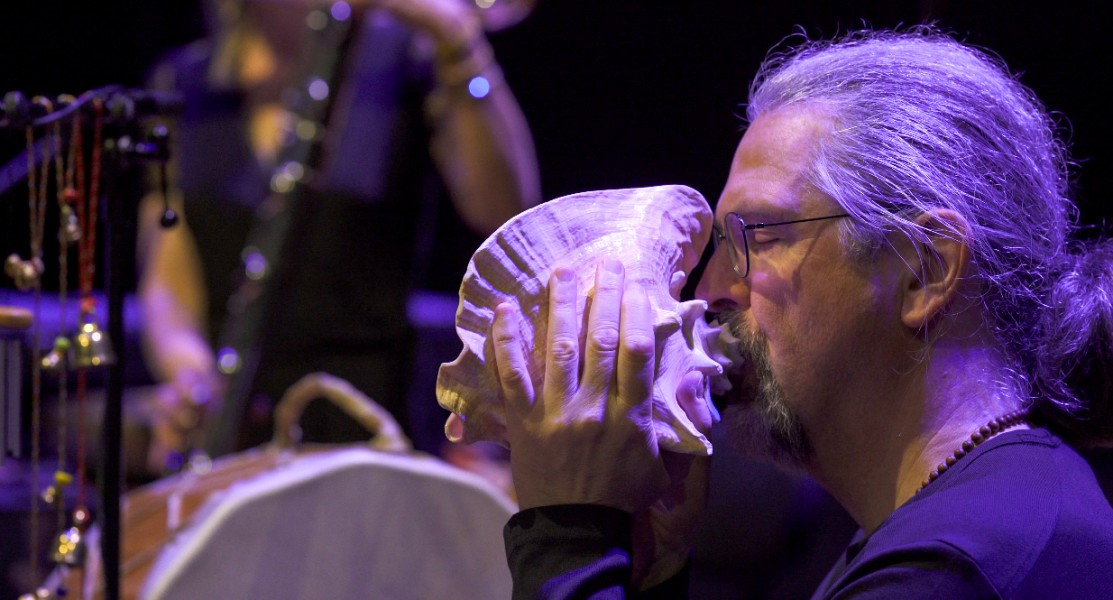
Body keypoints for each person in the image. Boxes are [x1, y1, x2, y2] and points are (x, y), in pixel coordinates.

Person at [490, 26, 1113, 598]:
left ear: (923, 269)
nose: (709, 292)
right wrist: (654, 571)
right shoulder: (965, 523)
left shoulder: (958, 565)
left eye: (757, 237)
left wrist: (567, 535)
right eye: (720, 245)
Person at [136, 0, 540, 470]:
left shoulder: (401, 61)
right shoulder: (184, 82)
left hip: (371, 429)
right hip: (235, 432)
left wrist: (459, 42)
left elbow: (504, 209)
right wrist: (187, 372)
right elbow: (169, 280)